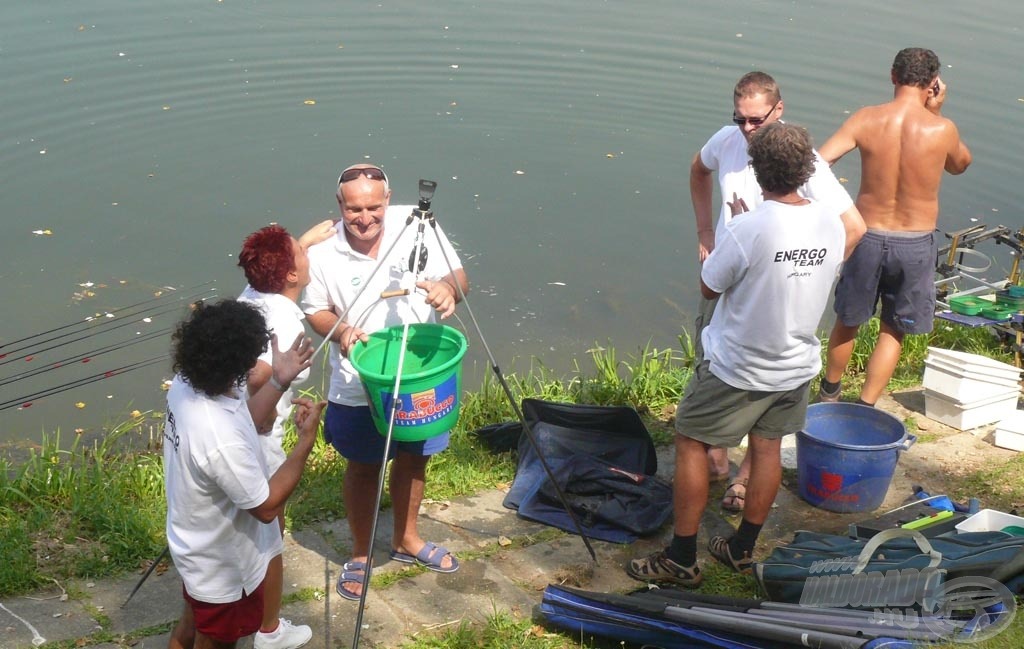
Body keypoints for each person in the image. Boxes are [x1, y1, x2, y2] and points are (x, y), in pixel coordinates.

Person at [628, 123, 865, 586]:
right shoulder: (832, 225)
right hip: (796, 365)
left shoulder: (748, 227)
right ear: (806, 172)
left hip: (738, 367)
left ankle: (680, 556)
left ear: (757, 174)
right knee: (768, 447)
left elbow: (709, 284)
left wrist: (735, 224)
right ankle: (741, 547)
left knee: (691, 441)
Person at [689, 71, 860, 512]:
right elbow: (698, 169)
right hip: (732, 273)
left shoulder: (800, 160)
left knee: (762, 417)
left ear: (778, 110)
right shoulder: (726, 141)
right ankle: (720, 453)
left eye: (756, 121)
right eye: (740, 119)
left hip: (778, 289)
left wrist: (811, 272)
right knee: (710, 356)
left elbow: (853, 227)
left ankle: (741, 481)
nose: (747, 129)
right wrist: (707, 230)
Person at [303, 164, 469, 601]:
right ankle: (360, 553)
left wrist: (447, 289)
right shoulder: (322, 253)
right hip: (360, 381)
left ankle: (407, 539)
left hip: (419, 373)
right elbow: (313, 309)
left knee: (414, 457)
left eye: (374, 207)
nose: (365, 218)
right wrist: (339, 331)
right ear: (340, 205)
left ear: (388, 199)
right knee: (364, 465)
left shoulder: (419, 223)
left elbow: (460, 278)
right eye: (354, 209)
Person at [164, 300, 326, 649]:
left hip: (195, 545)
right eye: (253, 357)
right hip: (224, 566)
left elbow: (242, 423)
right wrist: (305, 444)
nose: (256, 364)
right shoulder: (218, 435)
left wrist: (280, 381)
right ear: (236, 363)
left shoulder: (188, 386)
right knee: (215, 641)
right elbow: (265, 507)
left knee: (188, 630)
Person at [818, 48, 972, 406]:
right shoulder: (942, 129)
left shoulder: (865, 120)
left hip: (865, 235)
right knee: (894, 327)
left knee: (848, 319)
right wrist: (936, 112)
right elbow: (960, 164)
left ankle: (829, 394)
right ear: (934, 83)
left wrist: (839, 212)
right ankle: (866, 405)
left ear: (892, 76)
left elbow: (819, 161)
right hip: (914, 244)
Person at [236, 221, 335, 649]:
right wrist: (271, 381)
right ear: (291, 275)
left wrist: (306, 242)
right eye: (300, 251)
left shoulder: (252, 298)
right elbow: (255, 374)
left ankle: (247, 614)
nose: (306, 251)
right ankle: (269, 630)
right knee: (269, 533)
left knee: (243, 532)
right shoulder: (284, 321)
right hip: (257, 441)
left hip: (240, 430)